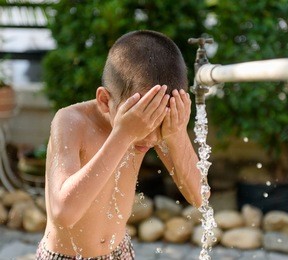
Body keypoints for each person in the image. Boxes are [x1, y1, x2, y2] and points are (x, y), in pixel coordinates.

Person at [36, 30, 203, 259]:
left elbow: (200, 196)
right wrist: (123, 134)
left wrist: (176, 133)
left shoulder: (150, 128)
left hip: (120, 252)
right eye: (143, 125)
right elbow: (63, 214)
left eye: (160, 127)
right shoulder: (71, 122)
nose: (153, 138)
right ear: (105, 101)